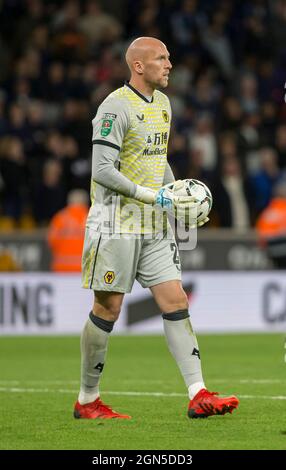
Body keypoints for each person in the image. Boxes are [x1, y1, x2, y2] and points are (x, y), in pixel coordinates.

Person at [74, 37, 239, 420]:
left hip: (153, 223)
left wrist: (177, 196)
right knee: (107, 307)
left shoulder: (164, 105)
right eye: (161, 58)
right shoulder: (114, 107)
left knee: (175, 300)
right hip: (115, 223)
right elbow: (101, 171)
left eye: (168, 57)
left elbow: (157, 160)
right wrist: (155, 198)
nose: (169, 64)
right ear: (138, 66)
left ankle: (198, 393)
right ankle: (87, 400)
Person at [47, 189, 88, 272]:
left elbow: (51, 241)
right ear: (85, 202)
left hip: (62, 268)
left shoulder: (60, 218)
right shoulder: (92, 217)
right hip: (85, 269)